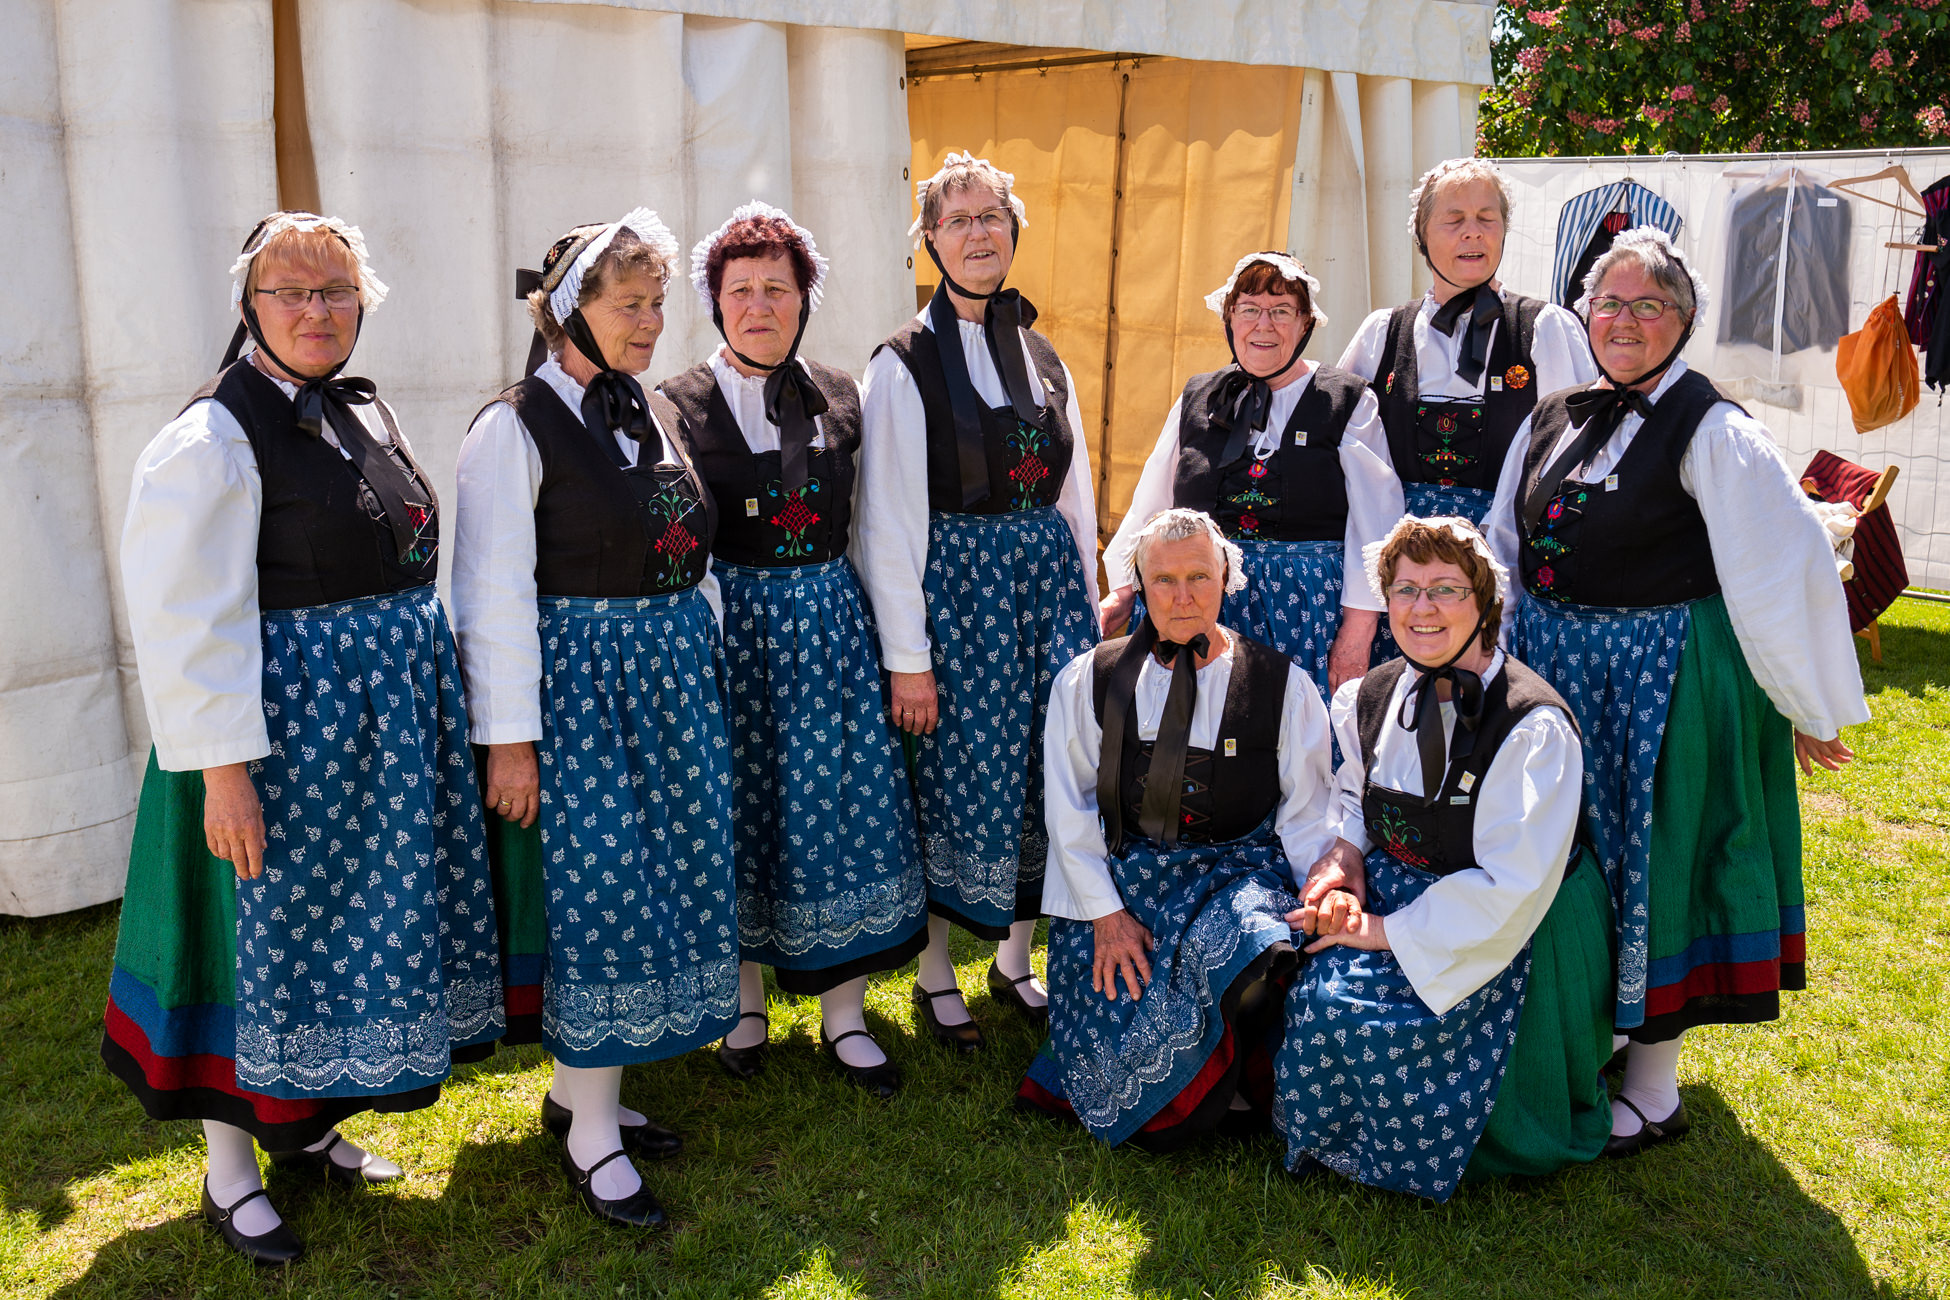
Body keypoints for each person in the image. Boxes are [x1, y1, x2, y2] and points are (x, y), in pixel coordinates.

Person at [105, 212, 504, 1264]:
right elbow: (185, 620)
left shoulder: (360, 410)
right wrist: (224, 776)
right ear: (251, 307)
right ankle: (229, 1172)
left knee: (338, 936)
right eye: (291, 292)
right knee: (260, 944)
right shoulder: (211, 438)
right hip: (271, 739)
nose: (316, 311)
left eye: (336, 291)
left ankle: (312, 1126)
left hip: (368, 740)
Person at [1484, 227, 1867, 1154]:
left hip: (1663, 678)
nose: (1625, 321)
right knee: (1579, 858)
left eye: (1649, 306)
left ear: (1684, 320)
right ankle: (1597, 1036)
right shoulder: (1555, 414)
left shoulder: (1714, 428)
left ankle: (1655, 1091)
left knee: (1657, 861)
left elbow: (1780, 565)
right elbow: (1504, 539)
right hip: (1559, 675)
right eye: (1609, 303)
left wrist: (1807, 703)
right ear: (1585, 314)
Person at [452, 208, 733, 1227]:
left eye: (658, 303)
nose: (652, 322)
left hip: (664, 687)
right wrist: (509, 742)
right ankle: (592, 1135)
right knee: (601, 894)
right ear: (571, 311)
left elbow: (688, 542)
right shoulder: (512, 426)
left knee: (655, 881)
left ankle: (582, 1094)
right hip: (581, 691)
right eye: (630, 305)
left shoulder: (645, 409)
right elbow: (489, 594)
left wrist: (696, 646)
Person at [658, 202, 925, 1098]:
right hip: (729, 631)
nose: (758, 305)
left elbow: (876, 523)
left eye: (777, 288)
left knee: (836, 808)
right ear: (715, 303)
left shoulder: (843, 393)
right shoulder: (675, 404)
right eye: (740, 290)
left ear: (804, 300)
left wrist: (896, 646)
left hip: (827, 626)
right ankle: (745, 1006)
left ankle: (844, 1013)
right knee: (740, 809)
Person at [1273, 515, 1616, 1199]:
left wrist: (1382, 931)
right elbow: (1356, 791)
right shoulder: (1371, 695)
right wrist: (1345, 852)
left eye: (1445, 590)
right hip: (1409, 888)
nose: (1421, 608)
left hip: (1509, 924)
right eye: (1405, 590)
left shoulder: (1532, 726)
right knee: (1302, 985)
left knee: (1368, 1023)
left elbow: (1514, 882)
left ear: (1484, 602)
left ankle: (1465, 1134)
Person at [856, 152, 1102, 1051]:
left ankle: (1014, 958)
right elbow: (886, 521)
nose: (978, 234)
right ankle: (934, 973)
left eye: (992, 216)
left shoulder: (1044, 353)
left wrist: (1090, 604)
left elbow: (1075, 493)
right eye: (957, 220)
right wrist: (908, 657)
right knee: (958, 779)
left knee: (1046, 769)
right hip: (959, 599)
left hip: (1047, 593)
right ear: (931, 240)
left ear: (1014, 231)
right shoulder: (901, 363)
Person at [1018, 509, 1336, 1149]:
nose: (1183, 596)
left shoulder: (1282, 685)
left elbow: (1307, 813)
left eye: (1199, 577)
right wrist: (1106, 916)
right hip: (1128, 877)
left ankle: (1237, 1064)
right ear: (1140, 582)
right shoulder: (1090, 679)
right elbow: (1070, 811)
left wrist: (1319, 904)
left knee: (1259, 943)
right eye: (1164, 580)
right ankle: (1199, 1093)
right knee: (1121, 999)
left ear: (1227, 578)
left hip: (1236, 871)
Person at [1100, 253, 1402, 699]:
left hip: (1306, 613)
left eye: (1281, 311)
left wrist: (1359, 628)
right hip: (1199, 604)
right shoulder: (1198, 396)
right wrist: (1124, 589)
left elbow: (1375, 525)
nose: (1264, 325)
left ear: (1305, 323)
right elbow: (1151, 506)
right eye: (1249, 309)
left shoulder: (1346, 401)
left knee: (1292, 727)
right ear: (1229, 318)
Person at [1338, 158, 1596, 527]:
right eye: (1455, 219)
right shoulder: (1382, 333)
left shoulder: (1545, 328)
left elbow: (1575, 457)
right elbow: (1347, 454)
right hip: (1397, 548)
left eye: (1486, 218)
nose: (1473, 232)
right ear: (1422, 235)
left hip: (1508, 544)